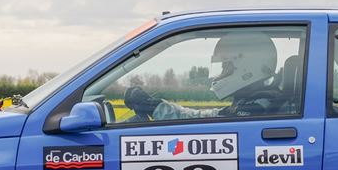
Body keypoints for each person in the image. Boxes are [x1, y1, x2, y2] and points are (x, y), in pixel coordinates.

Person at [123, 31, 297, 121]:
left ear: (246, 68)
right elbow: (205, 117)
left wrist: (156, 108)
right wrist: (155, 106)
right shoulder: (253, 102)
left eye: (226, 67)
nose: (221, 74)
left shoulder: (257, 108)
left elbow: (203, 128)